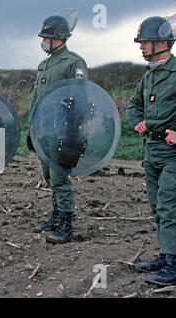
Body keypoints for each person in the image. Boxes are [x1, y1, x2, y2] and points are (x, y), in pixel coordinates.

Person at [28, 12, 88, 244]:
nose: (43, 41)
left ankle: (66, 222)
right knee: (48, 176)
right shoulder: (44, 65)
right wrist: (31, 126)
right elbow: (36, 97)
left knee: (59, 177)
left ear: (59, 38)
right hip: (43, 130)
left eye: (46, 38)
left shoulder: (74, 62)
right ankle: (55, 215)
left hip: (62, 130)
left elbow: (80, 98)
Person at [126, 16, 176, 287]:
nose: (141, 47)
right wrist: (137, 122)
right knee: (157, 207)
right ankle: (167, 254)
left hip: (172, 154)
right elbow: (133, 105)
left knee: (169, 207)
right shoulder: (149, 77)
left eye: (145, 42)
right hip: (152, 151)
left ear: (162, 42)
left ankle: (172, 264)